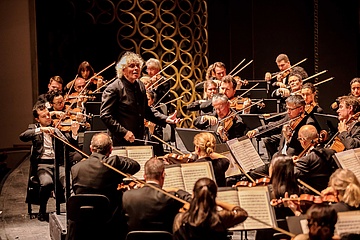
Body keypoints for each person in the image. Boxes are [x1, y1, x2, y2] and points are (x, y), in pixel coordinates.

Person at [69, 132, 140, 239]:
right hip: (108, 222)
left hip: (82, 223)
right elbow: (135, 165)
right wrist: (117, 158)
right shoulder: (113, 163)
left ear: (91, 148)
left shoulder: (76, 168)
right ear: (110, 150)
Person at [100, 51, 180, 146]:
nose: (136, 68)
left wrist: (166, 118)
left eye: (138, 66)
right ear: (123, 70)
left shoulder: (140, 86)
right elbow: (105, 115)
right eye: (132, 66)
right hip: (120, 140)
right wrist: (124, 132)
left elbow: (146, 110)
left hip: (137, 138)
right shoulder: (113, 88)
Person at [19, 102, 79, 221]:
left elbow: (70, 145)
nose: (48, 117)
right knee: (46, 183)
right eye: (44, 116)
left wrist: (74, 132)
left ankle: (72, 212)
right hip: (42, 165)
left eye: (48, 114)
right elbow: (22, 136)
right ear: (37, 119)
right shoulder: (34, 128)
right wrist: (41, 129)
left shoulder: (57, 128)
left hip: (59, 164)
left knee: (69, 184)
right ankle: (42, 209)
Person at [122, 157, 192, 233]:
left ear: (144, 176)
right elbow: (193, 202)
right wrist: (176, 190)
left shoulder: (127, 196)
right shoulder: (170, 197)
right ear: (163, 175)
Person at [172, 177, 248, 240]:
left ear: (193, 194)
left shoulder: (181, 218)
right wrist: (217, 202)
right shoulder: (220, 217)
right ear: (215, 195)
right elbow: (243, 213)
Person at [247, 95, 319, 158]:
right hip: (280, 155)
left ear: (301, 109)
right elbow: (274, 126)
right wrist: (256, 131)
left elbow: (304, 147)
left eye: (291, 109)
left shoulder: (308, 124)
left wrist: (288, 139)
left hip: (292, 160)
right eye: (287, 108)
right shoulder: (289, 117)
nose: (288, 112)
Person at [293, 125, 336, 193]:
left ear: (303, 140)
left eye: (299, 139)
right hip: (330, 191)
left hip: (313, 194)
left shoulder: (306, 160)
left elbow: (292, 175)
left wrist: (291, 164)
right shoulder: (331, 152)